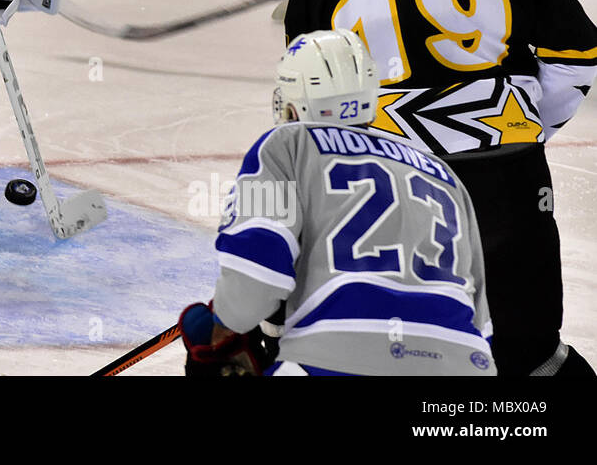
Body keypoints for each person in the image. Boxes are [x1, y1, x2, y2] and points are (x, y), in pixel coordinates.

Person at [282, 0, 597, 377]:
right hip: (508, 178)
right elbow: (578, 61)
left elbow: (304, 103)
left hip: (387, 189)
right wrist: (516, 126)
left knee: (401, 356)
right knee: (533, 359)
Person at [179, 29, 496, 376]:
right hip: (464, 364)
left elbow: (254, 274)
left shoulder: (284, 145)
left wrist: (221, 326)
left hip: (336, 357)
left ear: (290, 100)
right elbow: (480, 318)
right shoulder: (443, 174)